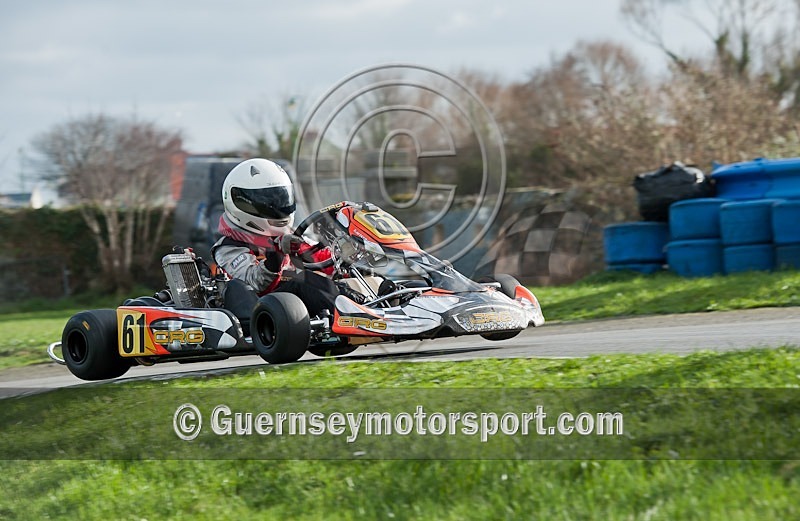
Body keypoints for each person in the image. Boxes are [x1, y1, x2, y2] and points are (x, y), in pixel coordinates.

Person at [210, 158, 339, 330]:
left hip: (291, 310)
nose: (277, 207)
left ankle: (375, 303)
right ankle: (349, 315)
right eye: (268, 202)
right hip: (260, 312)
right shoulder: (229, 246)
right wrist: (276, 255)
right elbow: (254, 281)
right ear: (240, 202)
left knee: (335, 281)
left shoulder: (287, 235)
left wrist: (341, 252)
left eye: (280, 198)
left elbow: (318, 261)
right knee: (301, 282)